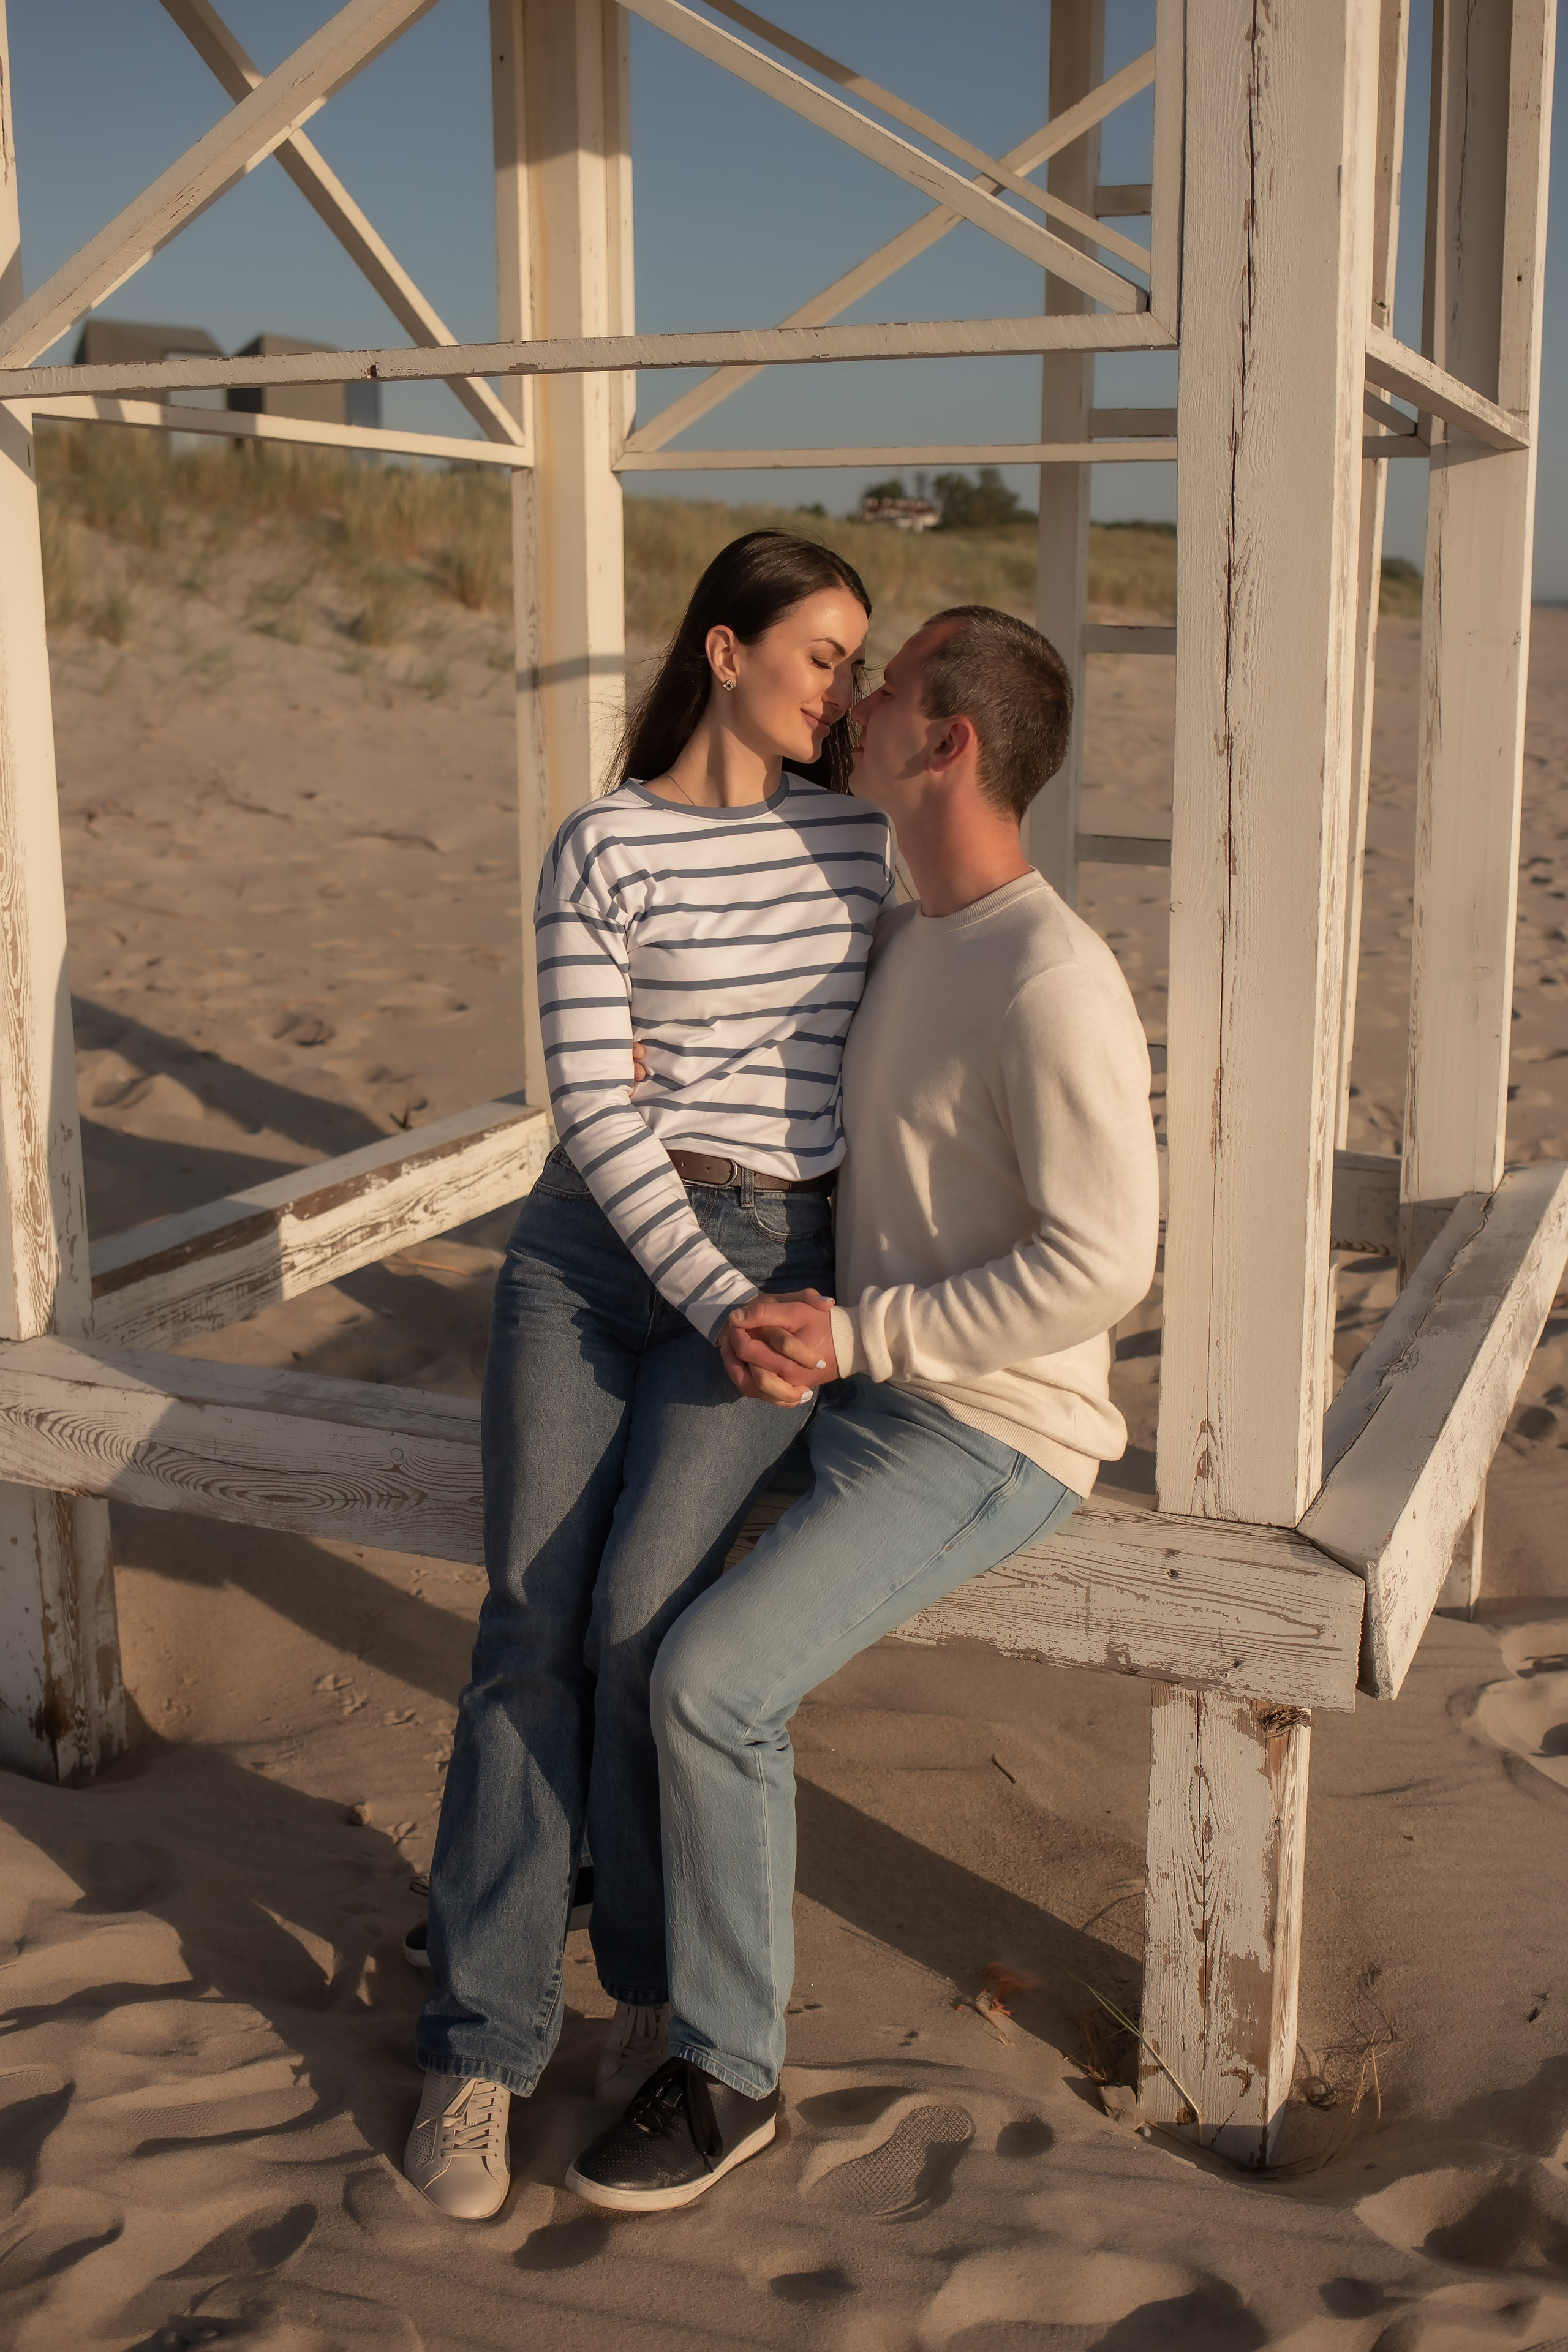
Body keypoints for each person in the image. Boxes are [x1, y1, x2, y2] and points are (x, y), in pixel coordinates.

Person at [564, 604, 1161, 2213]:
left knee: (709, 1680)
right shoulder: (908, 927)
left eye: (884, 686)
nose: (856, 699)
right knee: (609, 1578)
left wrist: (860, 1337)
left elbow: (1105, 1265)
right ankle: (582, 1868)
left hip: (987, 1433)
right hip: (857, 1382)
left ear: (948, 744)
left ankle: (729, 2071)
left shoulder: (1051, 975)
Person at [404, 532, 894, 2219]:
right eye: (823, 653)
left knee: (642, 1630)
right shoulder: (600, 846)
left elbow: (915, 1059)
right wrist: (706, 1298)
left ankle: (645, 1992)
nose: (845, 689)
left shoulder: (866, 845)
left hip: (777, 1259)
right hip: (595, 1260)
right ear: (725, 650)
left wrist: (812, 1297)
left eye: (856, 659)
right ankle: (479, 2049)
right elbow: (596, 1114)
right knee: (528, 1628)